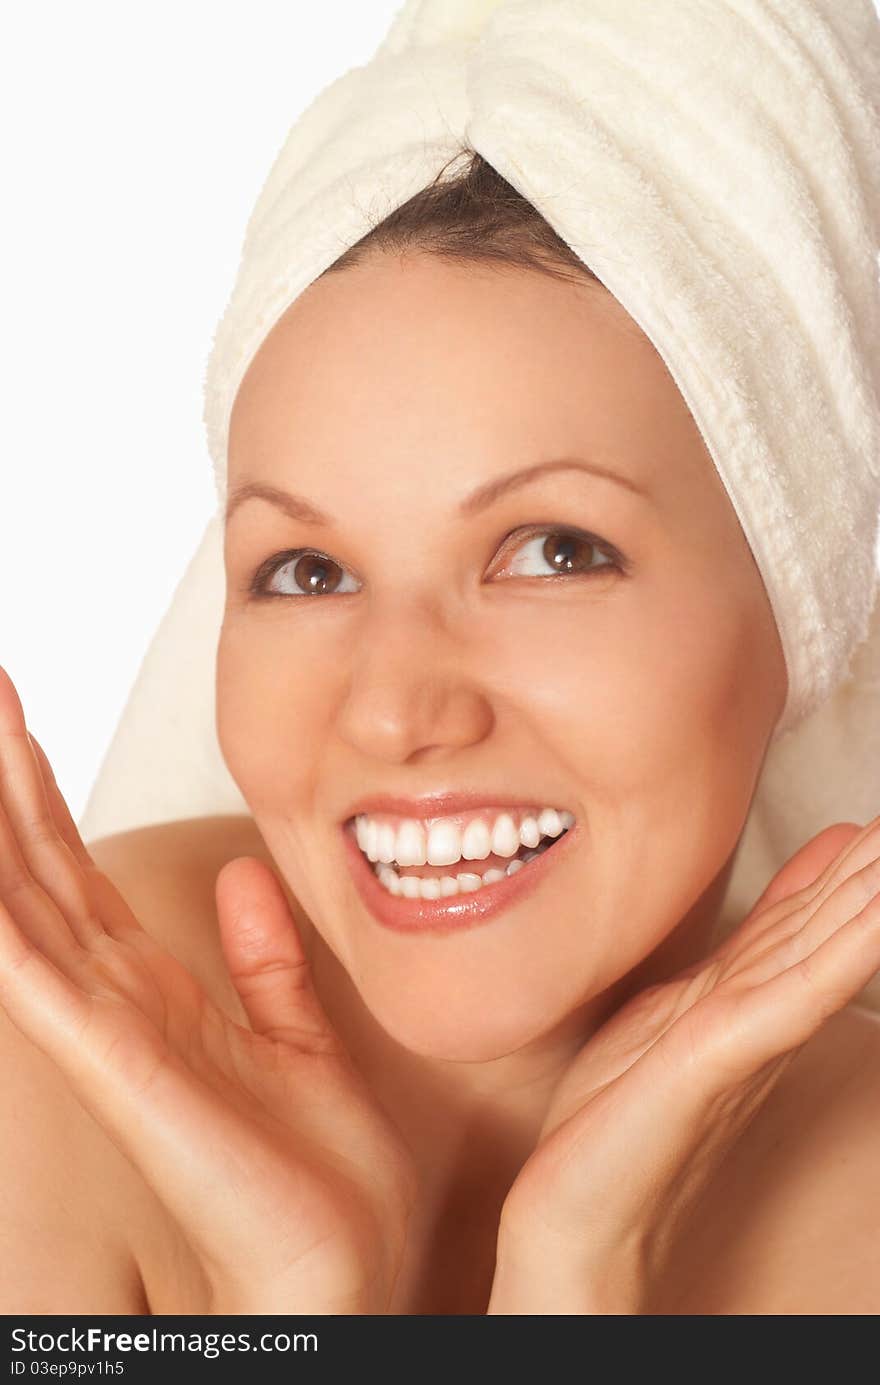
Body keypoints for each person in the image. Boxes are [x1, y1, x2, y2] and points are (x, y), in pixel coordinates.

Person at [2, 13, 880, 1314]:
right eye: (308, 570)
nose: (397, 708)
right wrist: (300, 1307)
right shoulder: (45, 1057)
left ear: (801, 588)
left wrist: (573, 1283)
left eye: (552, 549)